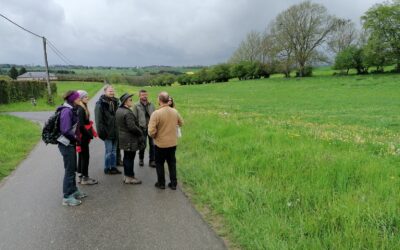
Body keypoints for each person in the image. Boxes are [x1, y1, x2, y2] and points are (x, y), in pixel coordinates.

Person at [57, 90, 88, 206]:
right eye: (78, 98)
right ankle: (67, 197)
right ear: (72, 99)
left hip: (70, 144)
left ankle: (73, 191)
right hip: (66, 144)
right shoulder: (66, 111)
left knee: (72, 169)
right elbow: (65, 130)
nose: (80, 100)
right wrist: (76, 137)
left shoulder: (70, 109)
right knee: (69, 170)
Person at [148, 91, 183, 190]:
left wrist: (155, 136)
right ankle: (173, 184)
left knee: (159, 163)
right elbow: (181, 123)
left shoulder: (156, 113)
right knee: (172, 163)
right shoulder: (174, 111)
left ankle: (161, 183)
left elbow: (151, 131)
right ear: (168, 100)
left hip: (160, 144)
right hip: (172, 143)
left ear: (159, 100)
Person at [116, 93, 144, 184]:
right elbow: (132, 127)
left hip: (123, 137)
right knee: (130, 158)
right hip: (130, 139)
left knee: (126, 157)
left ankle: (126, 176)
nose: (132, 101)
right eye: (130, 100)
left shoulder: (119, 110)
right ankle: (130, 177)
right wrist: (140, 132)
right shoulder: (127, 112)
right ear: (125, 102)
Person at [95, 85, 121, 175]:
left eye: (113, 91)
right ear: (105, 92)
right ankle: (107, 168)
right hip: (107, 132)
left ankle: (113, 167)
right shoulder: (100, 104)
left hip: (115, 131)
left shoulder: (116, 102)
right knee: (108, 151)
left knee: (114, 151)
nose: (112, 92)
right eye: (110, 91)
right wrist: (102, 133)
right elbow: (99, 121)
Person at [76, 90, 98, 185]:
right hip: (83, 137)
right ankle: (85, 178)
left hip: (82, 137)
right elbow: (80, 125)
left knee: (81, 156)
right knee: (85, 156)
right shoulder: (81, 109)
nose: (87, 98)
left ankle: (81, 175)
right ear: (80, 98)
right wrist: (88, 134)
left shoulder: (82, 107)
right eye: (85, 97)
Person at [132, 89, 156, 168]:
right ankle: (141, 158)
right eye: (142, 95)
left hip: (151, 128)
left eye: (145, 95)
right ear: (139, 96)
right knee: (143, 145)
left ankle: (152, 160)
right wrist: (137, 129)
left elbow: (155, 116)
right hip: (142, 128)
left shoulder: (152, 104)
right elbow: (134, 118)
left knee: (152, 145)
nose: (144, 96)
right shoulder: (136, 105)